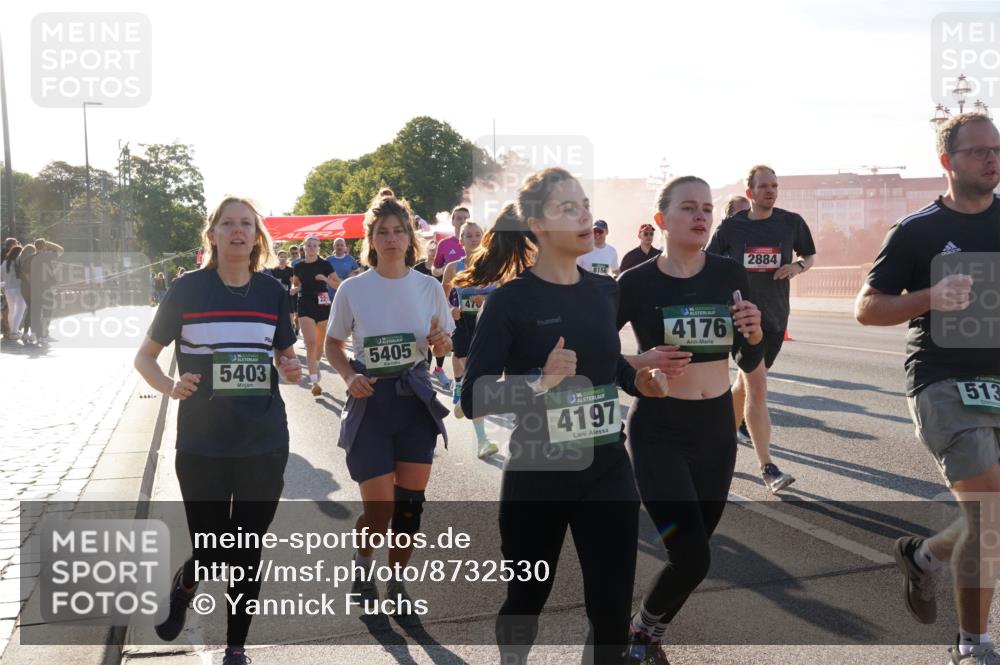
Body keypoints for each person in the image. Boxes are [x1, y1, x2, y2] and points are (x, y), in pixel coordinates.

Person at [460, 167, 668, 664]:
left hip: (606, 466)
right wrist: (539, 382)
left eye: (585, 205)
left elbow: (606, 362)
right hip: (538, 472)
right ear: (536, 224)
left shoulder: (603, 290)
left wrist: (638, 379)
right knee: (527, 601)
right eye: (567, 208)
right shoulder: (510, 302)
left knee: (612, 609)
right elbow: (472, 399)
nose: (584, 216)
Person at [856, 112, 1000, 665]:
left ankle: (923, 558)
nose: (991, 159)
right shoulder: (916, 230)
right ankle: (973, 645)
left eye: (996, 149)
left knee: (990, 516)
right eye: (978, 151)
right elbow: (866, 308)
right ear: (948, 161)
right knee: (989, 513)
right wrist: (931, 297)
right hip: (944, 382)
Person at [134, 195, 301, 665]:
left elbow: (284, 357)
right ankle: (187, 582)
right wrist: (171, 385)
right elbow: (144, 357)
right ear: (212, 234)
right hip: (202, 441)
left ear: (257, 236)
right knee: (213, 545)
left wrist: (289, 368)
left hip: (264, 440)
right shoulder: (187, 289)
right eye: (227, 223)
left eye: (246, 223)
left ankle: (236, 647)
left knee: (246, 547)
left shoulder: (271, 292)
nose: (237, 230)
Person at [617, 176, 764, 663]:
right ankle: (640, 634)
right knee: (693, 555)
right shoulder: (636, 282)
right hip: (660, 429)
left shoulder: (727, 273)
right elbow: (598, 352)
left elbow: (746, 352)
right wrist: (639, 365)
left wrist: (756, 333)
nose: (701, 216)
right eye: (688, 208)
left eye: (706, 208)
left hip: (716, 431)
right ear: (662, 221)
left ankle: (645, 626)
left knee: (693, 556)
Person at [325, 195, 454, 613]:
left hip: (415, 402)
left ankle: (396, 581)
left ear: (410, 237)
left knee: (410, 510)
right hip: (373, 404)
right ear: (371, 240)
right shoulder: (353, 289)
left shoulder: (429, 287)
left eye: (399, 230)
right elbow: (333, 343)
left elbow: (445, 341)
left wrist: (441, 344)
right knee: (379, 512)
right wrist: (349, 376)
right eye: (383, 232)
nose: (392, 238)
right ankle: (364, 561)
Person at [705, 165, 817, 493]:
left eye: (775, 185)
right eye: (764, 186)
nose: (771, 191)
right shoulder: (731, 228)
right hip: (742, 317)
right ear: (750, 192)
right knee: (758, 385)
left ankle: (717, 443)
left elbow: (809, 256)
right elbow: (710, 265)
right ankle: (767, 466)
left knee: (746, 382)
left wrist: (796, 266)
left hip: (776, 317)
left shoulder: (791, 222)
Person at [443, 219, 500, 459]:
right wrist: (450, 309)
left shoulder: (496, 265)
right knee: (476, 380)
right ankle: (483, 439)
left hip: (490, 326)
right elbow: (441, 296)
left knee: (483, 381)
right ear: (461, 240)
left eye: (478, 235)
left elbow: (506, 293)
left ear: (484, 237)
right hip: (465, 325)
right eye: (469, 235)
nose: (474, 239)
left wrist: (488, 301)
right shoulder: (453, 268)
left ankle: (464, 396)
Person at [293, 235, 337, 396]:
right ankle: (314, 382)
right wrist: (294, 288)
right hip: (305, 303)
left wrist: (325, 278)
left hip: (322, 302)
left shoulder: (325, 264)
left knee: (319, 344)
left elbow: (337, 284)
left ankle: (316, 364)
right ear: (303, 248)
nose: (311, 248)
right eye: (309, 246)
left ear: (318, 247)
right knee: (310, 343)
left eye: (314, 246)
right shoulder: (298, 266)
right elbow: (296, 282)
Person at [414, 240, 452, 388]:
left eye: (437, 251)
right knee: (426, 342)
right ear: (426, 252)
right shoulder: (418, 268)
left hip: (439, 308)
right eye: (431, 251)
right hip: (421, 309)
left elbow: (447, 287)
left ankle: (439, 369)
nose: (434, 254)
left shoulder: (443, 269)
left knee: (441, 339)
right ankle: (426, 372)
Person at [432, 206, 470, 277]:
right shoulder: (444, 244)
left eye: (466, 218)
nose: (463, 221)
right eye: (459, 218)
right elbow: (434, 269)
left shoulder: (477, 242)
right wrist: (443, 270)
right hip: (451, 286)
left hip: (472, 287)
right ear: (453, 222)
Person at [267, 251, 298, 330]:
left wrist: (293, 282)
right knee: (278, 313)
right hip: (277, 295)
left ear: (287, 258)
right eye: (281, 257)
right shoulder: (273, 270)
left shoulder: (291, 270)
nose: (283, 259)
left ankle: (291, 330)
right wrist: (276, 280)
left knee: (290, 313)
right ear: (277, 258)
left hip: (288, 294)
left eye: (285, 257)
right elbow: (270, 283)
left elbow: (295, 282)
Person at [326, 237, 363, 302]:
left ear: (345, 247)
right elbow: (323, 274)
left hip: (346, 291)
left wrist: (352, 275)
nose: (339, 247)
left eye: (341, 245)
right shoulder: (328, 259)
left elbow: (358, 272)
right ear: (334, 247)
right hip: (331, 293)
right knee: (330, 312)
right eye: (337, 245)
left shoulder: (350, 259)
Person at [3, 245, 25, 340]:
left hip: (8, 289)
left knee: (12, 311)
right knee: (20, 310)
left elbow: (1, 277)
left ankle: (13, 330)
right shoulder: (19, 261)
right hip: (18, 288)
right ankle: (14, 332)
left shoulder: (4, 263)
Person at [17, 245, 36, 344]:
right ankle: (29, 333)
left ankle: (25, 332)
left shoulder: (20, 258)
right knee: (31, 309)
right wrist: (32, 284)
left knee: (30, 309)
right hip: (28, 287)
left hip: (23, 287)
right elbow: (26, 274)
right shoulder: (28, 260)